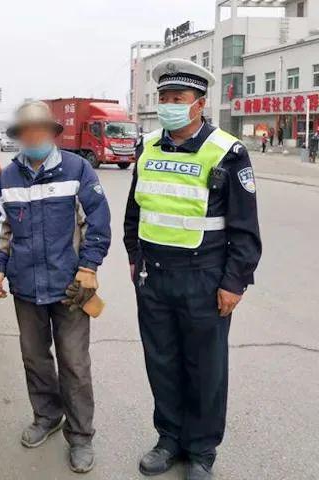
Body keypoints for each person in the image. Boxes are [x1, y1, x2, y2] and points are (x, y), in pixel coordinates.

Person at [124, 59, 262, 480]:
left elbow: (245, 229)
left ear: (199, 105)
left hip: (204, 277)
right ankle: (169, 439)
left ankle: (201, 451)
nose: (168, 105)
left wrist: (234, 282)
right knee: (161, 361)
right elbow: (135, 209)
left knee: (205, 367)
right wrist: (134, 258)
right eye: (163, 98)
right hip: (154, 276)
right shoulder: (147, 146)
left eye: (177, 99)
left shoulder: (228, 151)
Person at [0, 100, 111, 473]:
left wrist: (88, 267)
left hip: (71, 287)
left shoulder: (77, 169)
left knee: (74, 363)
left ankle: (81, 436)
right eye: (28, 130)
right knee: (35, 358)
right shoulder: (7, 178)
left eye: (41, 129)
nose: (34, 136)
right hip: (26, 287)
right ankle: (47, 416)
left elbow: (98, 222)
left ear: (53, 133)